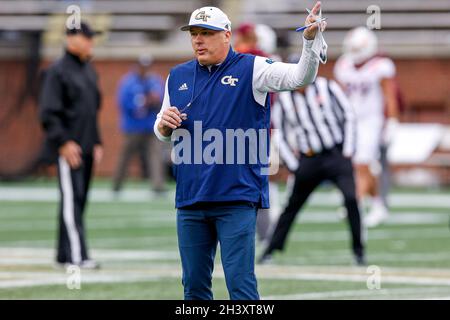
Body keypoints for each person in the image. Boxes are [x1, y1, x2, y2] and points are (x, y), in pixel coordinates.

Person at [154, 3, 327, 300]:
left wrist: (310, 41)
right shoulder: (178, 75)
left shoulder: (253, 68)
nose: (198, 39)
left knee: (241, 287)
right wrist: (164, 126)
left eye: (206, 33)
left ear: (227, 35)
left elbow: (301, 77)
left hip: (236, 197)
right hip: (191, 198)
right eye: (194, 33)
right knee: (193, 289)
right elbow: (161, 130)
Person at [258, 76, 366, 266]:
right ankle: (270, 250)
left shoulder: (326, 86)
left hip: (336, 154)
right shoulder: (284, 100)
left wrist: (348, 150)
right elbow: (279, 135)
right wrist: (293, 165)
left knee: (351, 198)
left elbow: (348, 114)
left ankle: (359, 251)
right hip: (309, 159)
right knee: (292, 206)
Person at [39, 21, 103, 269]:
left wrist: (97, 141)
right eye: (86, 37)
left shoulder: (88, 70)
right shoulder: (57, 71)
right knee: (71, 202)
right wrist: (63, 142)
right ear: (71, 39)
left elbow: (92, 110)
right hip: (68, 149)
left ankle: (63, 254)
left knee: (78, 201)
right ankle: (78, 256)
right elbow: (48, 113)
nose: (90, 42)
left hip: (87, 146)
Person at [334, 27, 399, 228]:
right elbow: (340, 96)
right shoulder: (343, 64)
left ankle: (356, 202)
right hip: (351, 121)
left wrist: (393, 121)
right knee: (358, 165)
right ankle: (378, 205)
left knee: (362, 163)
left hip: (372, 120)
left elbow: (390, 96)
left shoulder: (381, 65)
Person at [112, 55, 166, 195]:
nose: (144, 70)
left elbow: (163, 101)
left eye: (147, 67)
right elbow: (123, 103)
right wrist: (144, 102)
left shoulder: (155, 81)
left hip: (151, 126)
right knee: (125, 156)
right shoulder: (128, 82)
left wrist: (155, 100)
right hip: (133, 127)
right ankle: (117, 184)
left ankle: (157, 185)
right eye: (142, 66)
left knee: (155, 155)